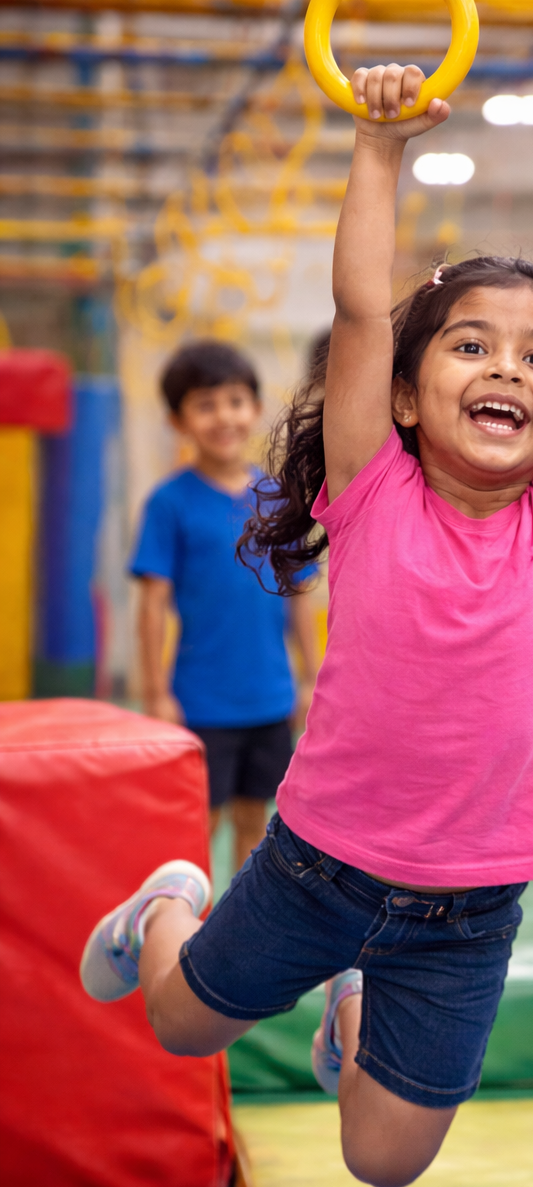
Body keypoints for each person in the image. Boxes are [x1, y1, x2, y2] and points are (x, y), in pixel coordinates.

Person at [81, 61, 533, 1187]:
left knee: (383, 1160)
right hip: (315, 866)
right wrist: (377, 147)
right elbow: (354, 310)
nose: (505, 369)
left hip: (470, 906)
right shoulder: (372, 486)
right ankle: (174, 897)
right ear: (399, 394)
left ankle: (359, 1001)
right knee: (182, 1025)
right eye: (469, 346)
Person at [130, 340, 320, 873]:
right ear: (178, 420)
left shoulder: (277, 500)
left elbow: (298, 595)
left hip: (270, 700)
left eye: (235, 401)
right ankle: (189, 930)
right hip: (200, 704)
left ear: (255, 409)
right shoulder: (169, 504)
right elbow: (151, 605)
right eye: (205, 404)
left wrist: (311, 677)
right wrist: (155, 693)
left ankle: (240, 936)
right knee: (199, 823)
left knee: (254, 822)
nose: (223, 417)